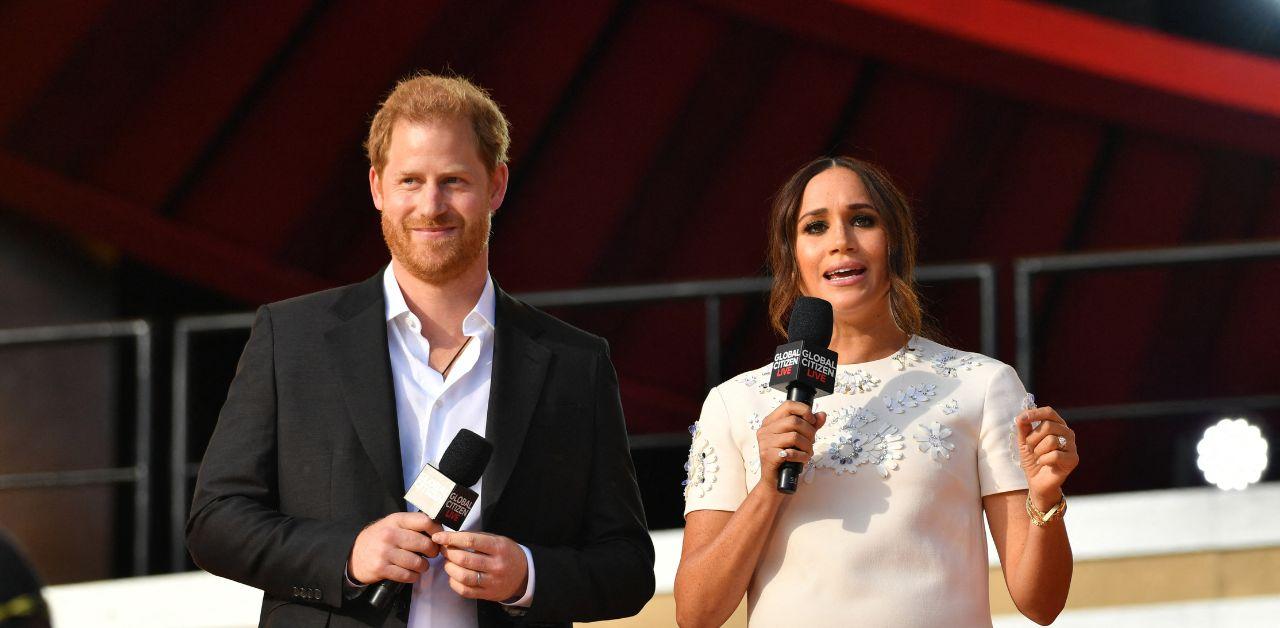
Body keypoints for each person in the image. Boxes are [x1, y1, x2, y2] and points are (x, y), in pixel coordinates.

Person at [187, 73, 654, 628]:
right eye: (410, 180)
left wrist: (528, 575)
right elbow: (215, 522)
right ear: (377, 187)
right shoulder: (291, 338)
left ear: (497, 185)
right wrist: (350, 554)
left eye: (454, 180)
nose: (431, 206)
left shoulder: (575, 362)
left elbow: (627, 565)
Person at [674, 157, 1076, 627]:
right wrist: (768, 487)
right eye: (815, 227)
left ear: (895, 245)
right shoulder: (736, 402)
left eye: (862, 220)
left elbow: (1040, 604)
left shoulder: (981, 385)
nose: (841, 242)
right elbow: (696, 614)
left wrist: (1045, 498)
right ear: (791, 256)